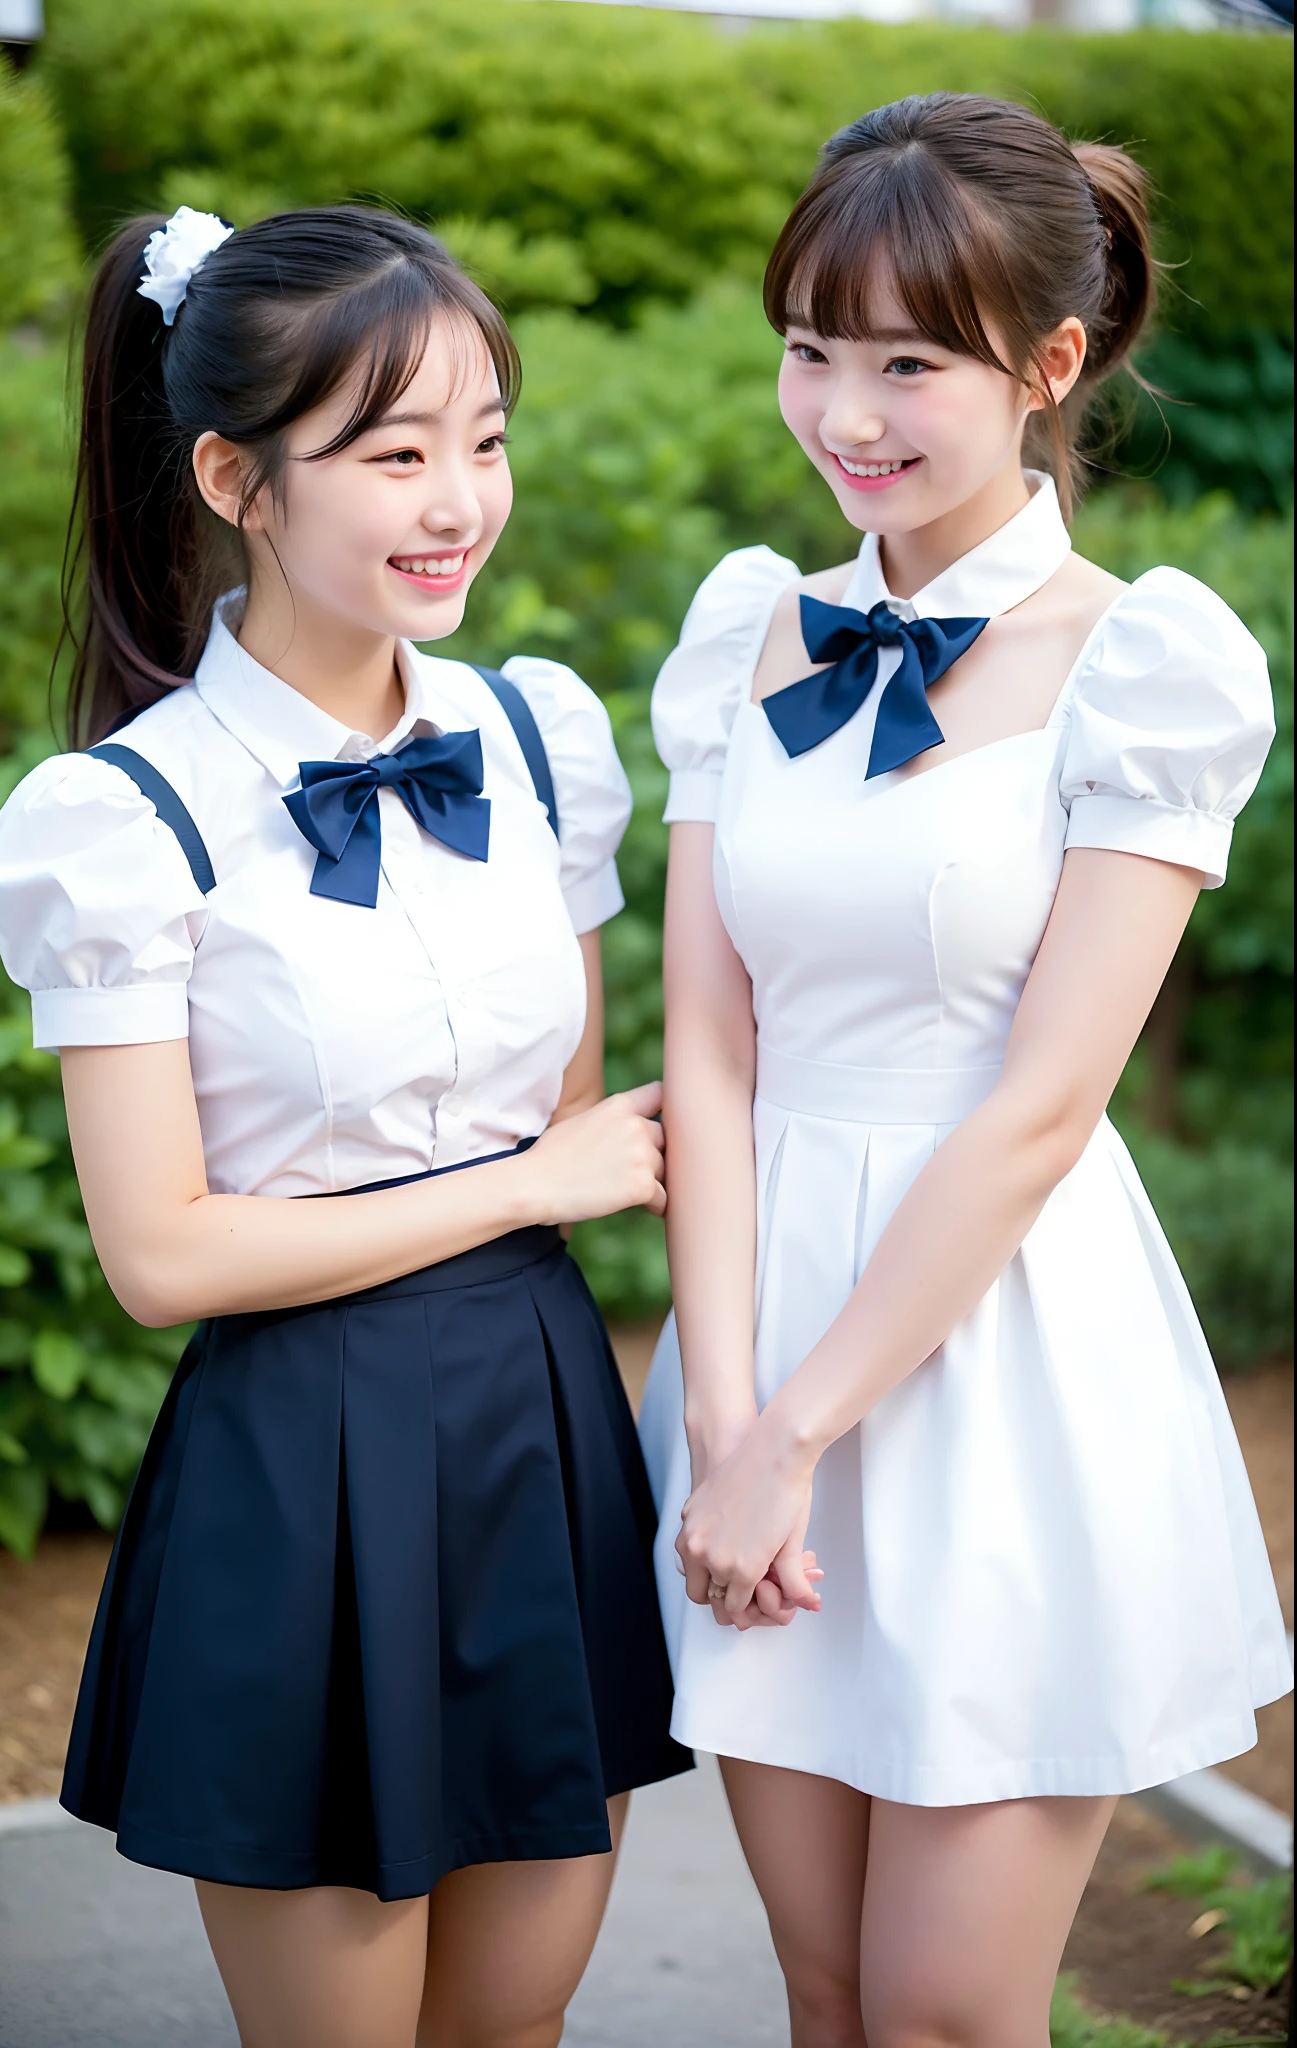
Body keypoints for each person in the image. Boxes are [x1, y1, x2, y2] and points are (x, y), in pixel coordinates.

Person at [0, 203, 689, 2048]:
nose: (460, 498)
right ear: (237, 476)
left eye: (484, 438)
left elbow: (576, 1101)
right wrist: (533, 1181)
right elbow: (161, 1253)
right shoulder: (126, 821)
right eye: (394, 453)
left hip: (542, 1431)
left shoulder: (536, 742)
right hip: (301, 1460)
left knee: (514, 2032)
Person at [639, 94, 1292, 2048]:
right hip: (756, 1337)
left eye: (902, 360)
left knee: (939, 2013)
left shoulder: (1145, 666)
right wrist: (725, 1412)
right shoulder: (744, 633)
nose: (842, 410)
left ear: (1049, 361)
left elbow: (1036, 1109)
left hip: (998, 1363)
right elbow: (705, 1037)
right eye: (808, 347)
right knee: (824, 1992)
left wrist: (792, 1436)